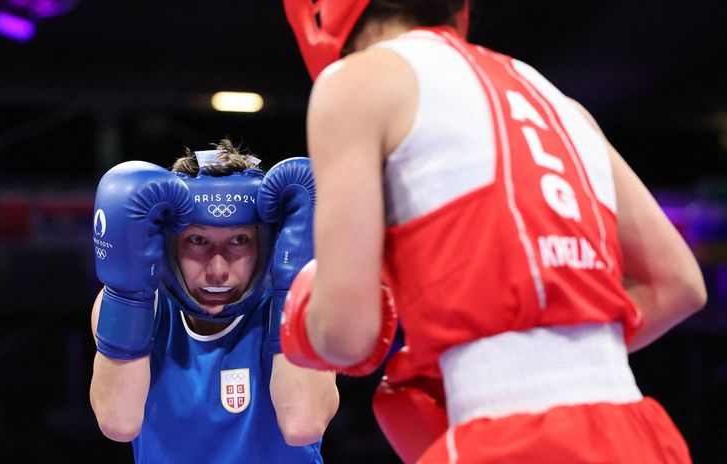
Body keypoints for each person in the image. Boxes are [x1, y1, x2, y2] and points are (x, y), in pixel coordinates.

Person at [278, 1, 708, 463]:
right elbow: (680, 286)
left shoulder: (355, 83)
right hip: (635, 431)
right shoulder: (557, 101)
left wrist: (301, 326)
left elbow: (346, 335)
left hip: (515, 440)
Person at [88, 139, 338, 463]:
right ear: (169, 243)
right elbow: (117, 422)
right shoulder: (141, 309)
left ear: (265, 243)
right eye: (197, 240)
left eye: (238, 240)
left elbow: (302, 424)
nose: (217, 269)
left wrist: (293, 290)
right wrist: (128, 296)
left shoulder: (302, 305)